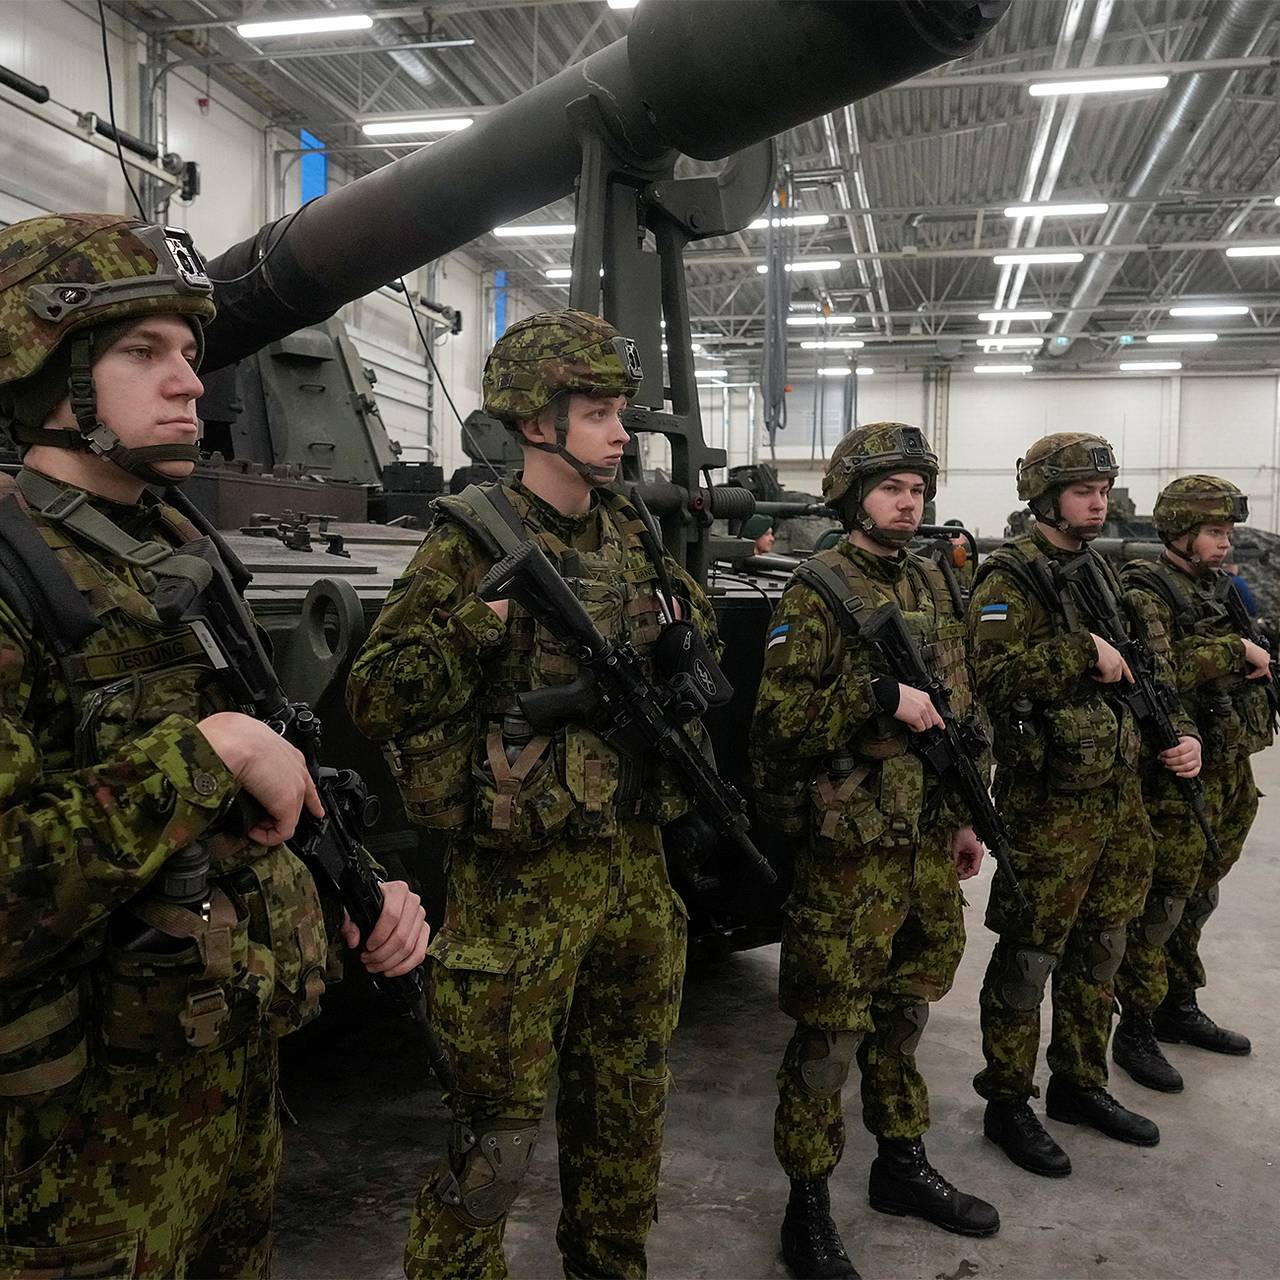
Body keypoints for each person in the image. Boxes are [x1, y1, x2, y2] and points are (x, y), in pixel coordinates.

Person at [0, 213, 428, 1277]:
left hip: (222, 1085)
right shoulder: (16, 579)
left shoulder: (174, 547)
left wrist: (353, 884)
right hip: (76, 1154)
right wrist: (211, 752)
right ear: (49, 372)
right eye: (142, 351)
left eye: (190, 353)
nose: (189, 381)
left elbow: (271, 765)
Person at [347, 309, 719, 1280]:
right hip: (518, 886)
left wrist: (681, 646)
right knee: (496, 1135)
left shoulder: (634, 531)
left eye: (618, 412)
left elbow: (694, 634)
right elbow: (377, 691)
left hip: (633, 868)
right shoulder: (472, 539)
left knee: (625, 1104)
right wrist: (480, 623)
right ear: (535, 421)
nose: (620, 432)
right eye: (596, 411)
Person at [751, 422, 998, 1280]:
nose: (910, 502)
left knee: (902, 1021)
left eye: (919, 489)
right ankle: (807, 1207)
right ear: (853, 495)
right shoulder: (818, 589)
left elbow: (965, 712)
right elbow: (775, 728)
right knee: (827, 1040)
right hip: (850, 857)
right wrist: (875, 698)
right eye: (893, 487)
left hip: (927, 847)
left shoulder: (934, 578)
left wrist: (969, 813)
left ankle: (900, 1167)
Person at [967, 432, 1200, 1178]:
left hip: (1118, 792)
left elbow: (1151, 669)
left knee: (1104, 947)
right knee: (1031, 957)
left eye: (1103, 489)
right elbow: (987, 678)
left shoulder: (1098, 571)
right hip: (1046, 803)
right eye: (1081, 491)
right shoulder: (1008, 578)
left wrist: (1181, 735)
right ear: (1043, 497)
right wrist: (1079, 654)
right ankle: (1008, 1101)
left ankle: (1079, 1082)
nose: (1098, 502)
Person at [1111, 476, 1269, 1091]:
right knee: (1164, 899)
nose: (1224, 543)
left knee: (1200, 894)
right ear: (1178, 531)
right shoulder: (1147, 588)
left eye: (1227, 531)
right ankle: (1138, 1028)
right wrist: (1233, 651)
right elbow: (1157, 669)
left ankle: (1179, 1004)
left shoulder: (1219, 587)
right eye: (1213, 531)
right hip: (1177, 770)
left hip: (1228, 762)